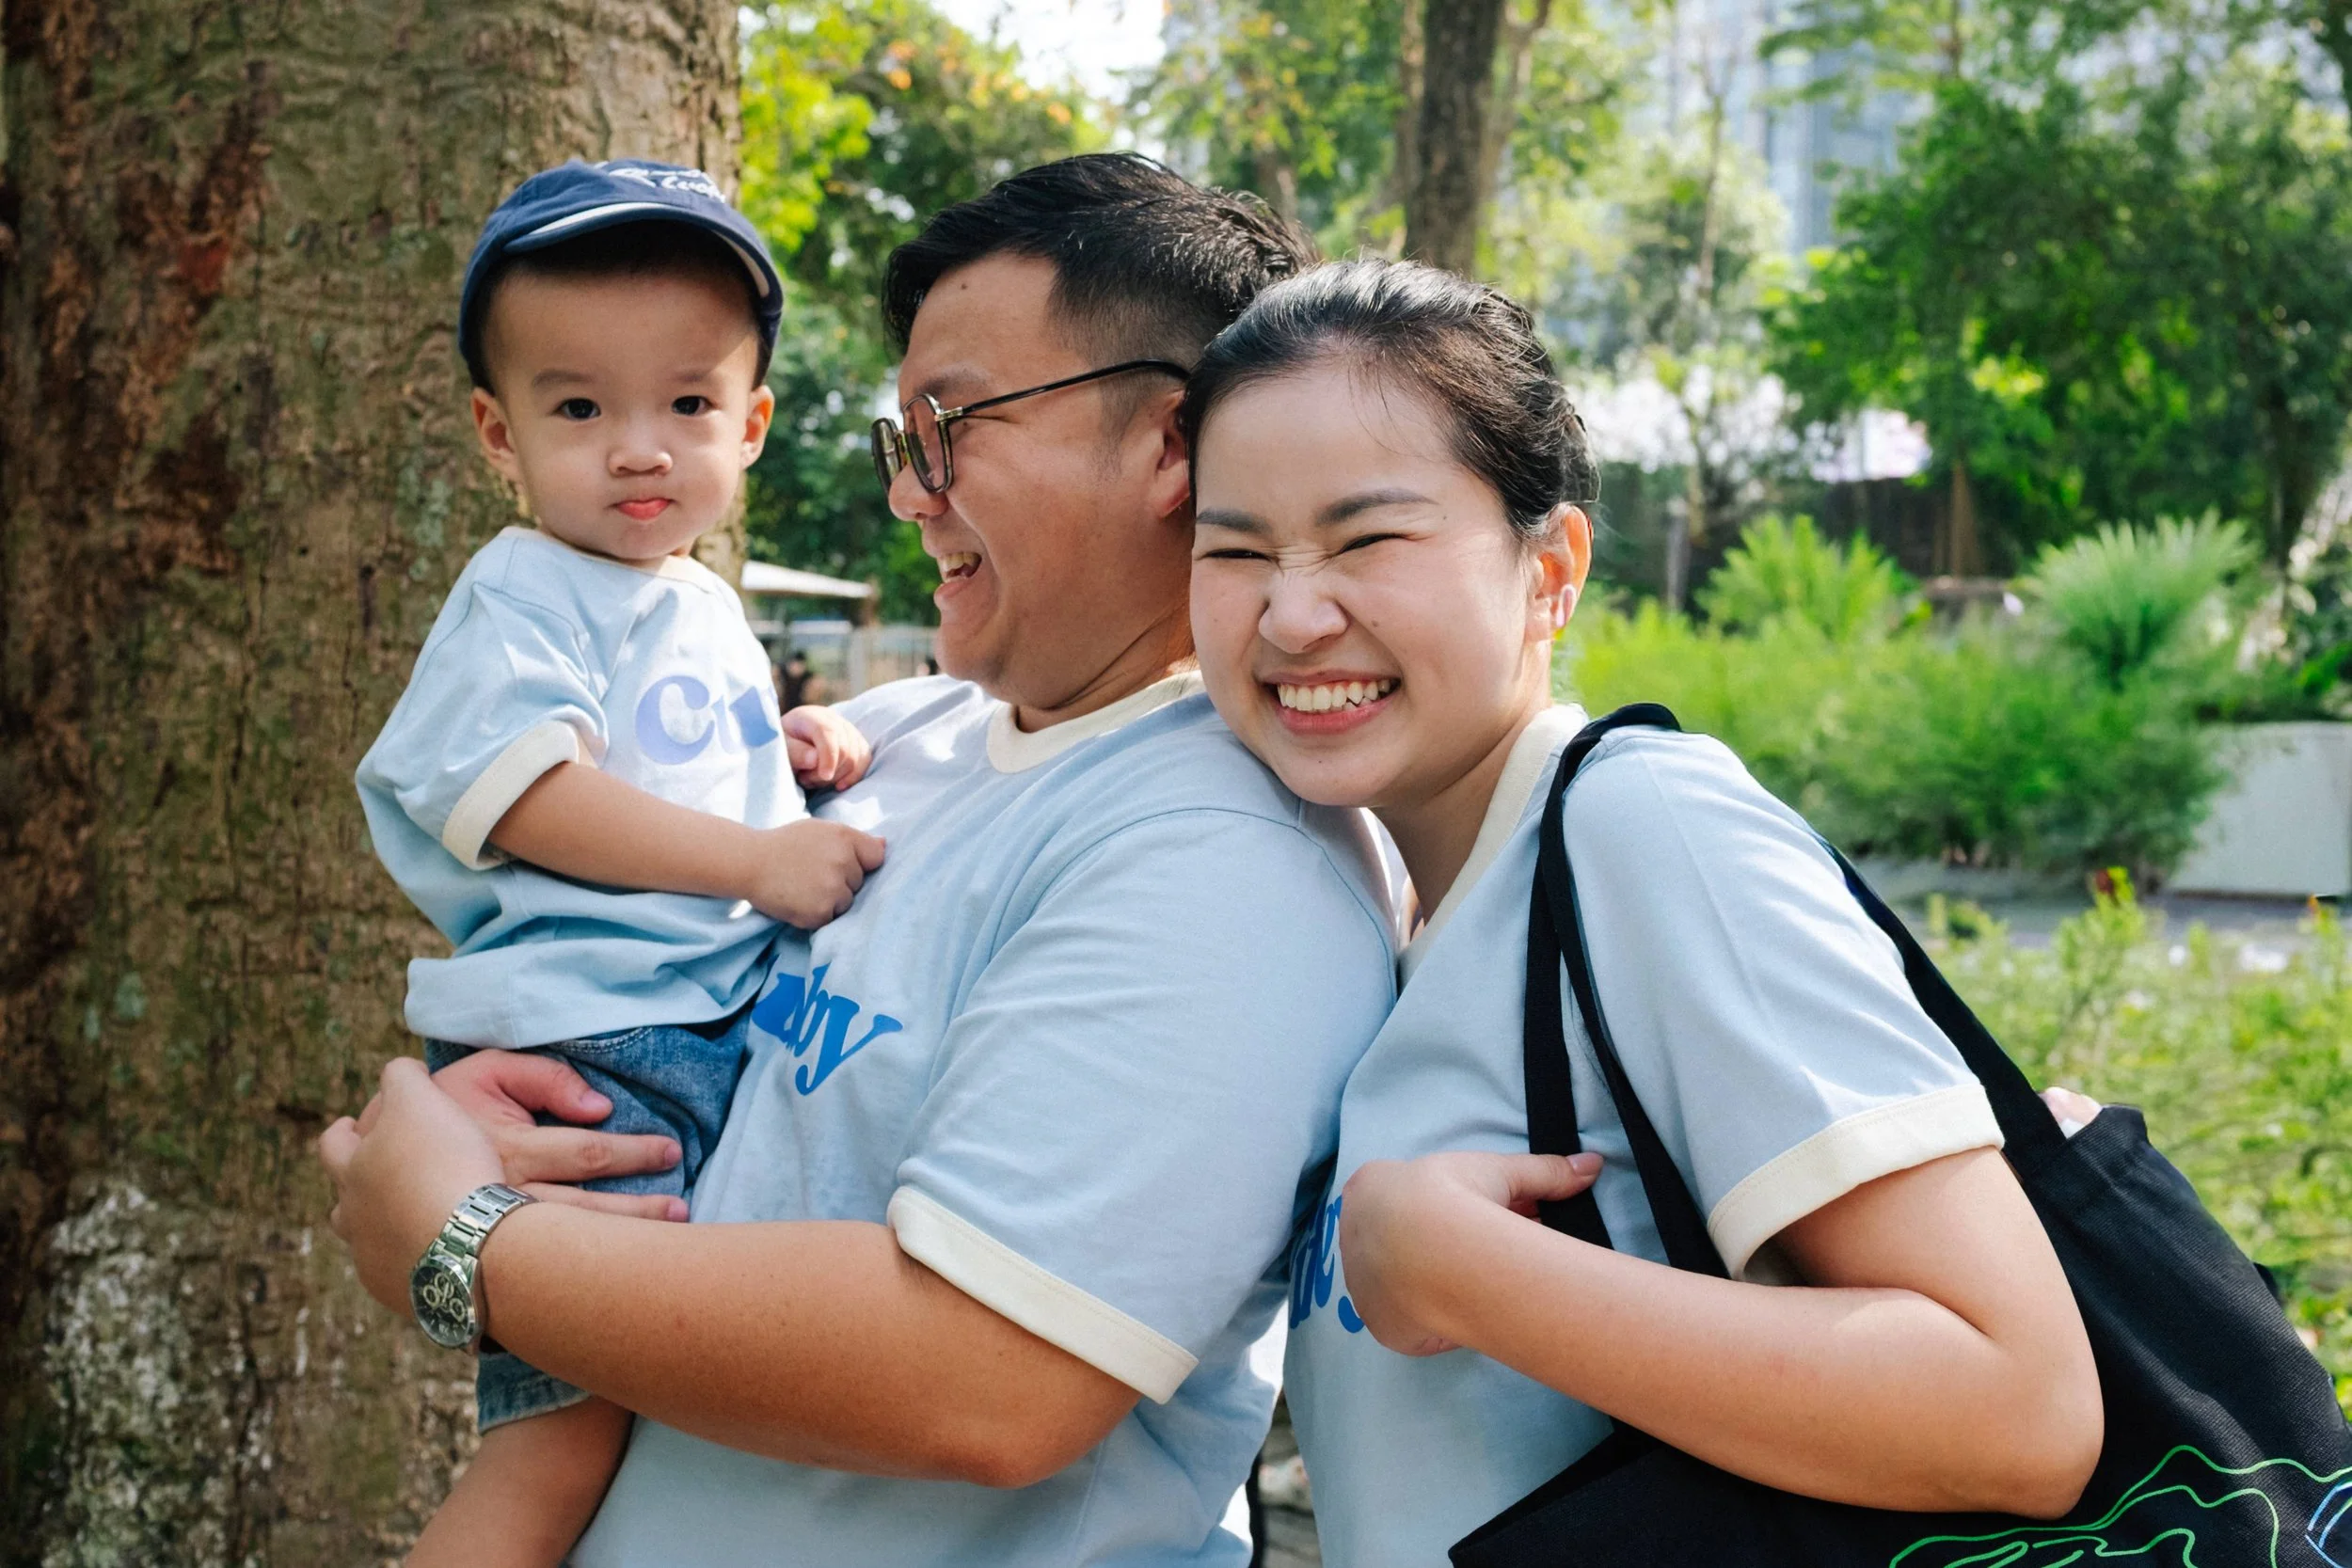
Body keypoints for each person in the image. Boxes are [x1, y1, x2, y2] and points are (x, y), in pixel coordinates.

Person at [321, 154, 1398, 1566]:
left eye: (952, 425)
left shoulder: (1228, 857)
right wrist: (507, 1125)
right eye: (907, 437)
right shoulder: (895, 742)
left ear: (1175, 447)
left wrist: (468, 1243)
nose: (910, 493)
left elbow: (985, 1373)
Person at [1179, 260, 2105, 1567]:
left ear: (1551, 567)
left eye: (1368, 537)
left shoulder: (1645, 827)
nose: (1292, 609)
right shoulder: (1394, 907)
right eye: (1234, 550)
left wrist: (1464, 1269)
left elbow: (2020, 1405)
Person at [352, 159, 883, 1568]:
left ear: (754, 422)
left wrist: (798, 746)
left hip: (704, 1021)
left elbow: (689, 760)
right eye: (580, 407)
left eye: (688, 404)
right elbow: (528, 796)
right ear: (497, 431)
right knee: (561, 1442)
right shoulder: (522, 587)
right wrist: (757, 855)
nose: (640, 447)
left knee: (683, 1394)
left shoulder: (694, 597)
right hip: (604, 1038)